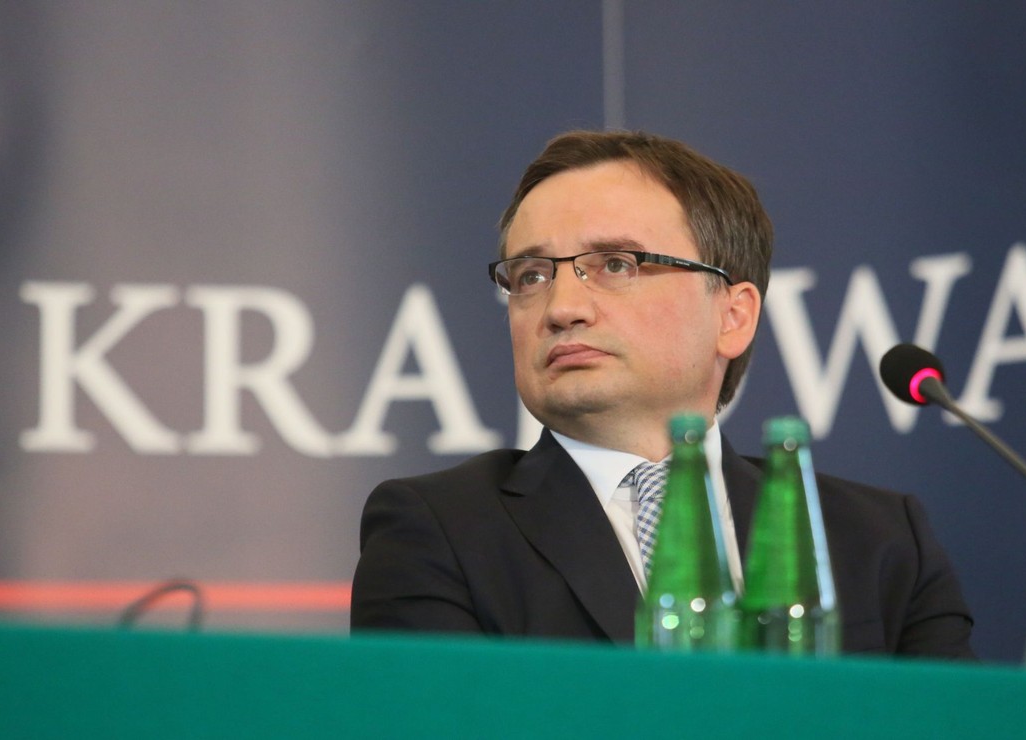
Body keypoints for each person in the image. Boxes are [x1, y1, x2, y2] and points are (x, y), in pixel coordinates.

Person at [351, 130, 974, 658]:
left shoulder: (879, 540)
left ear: (733, 315)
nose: (561, 308)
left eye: (616, 264)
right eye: (532, 275)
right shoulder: (440, 531)